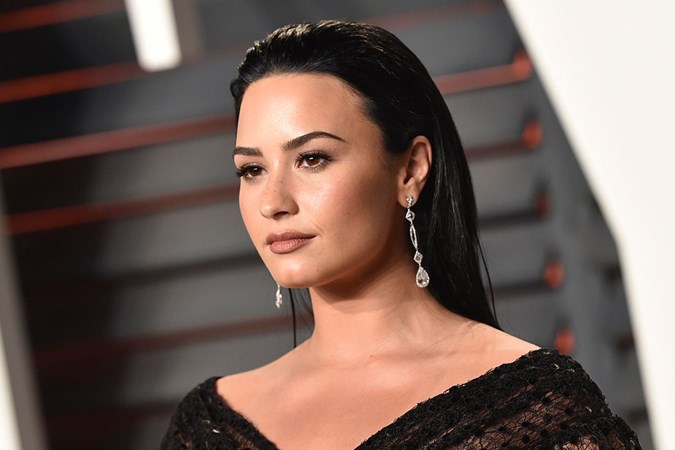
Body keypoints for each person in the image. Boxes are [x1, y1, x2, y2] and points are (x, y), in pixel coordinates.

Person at [161, 20, 641, 450]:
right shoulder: (206, 428)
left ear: (410, 168)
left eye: (312, 159)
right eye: (252, 170)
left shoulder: (536, 410)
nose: (273, 202)